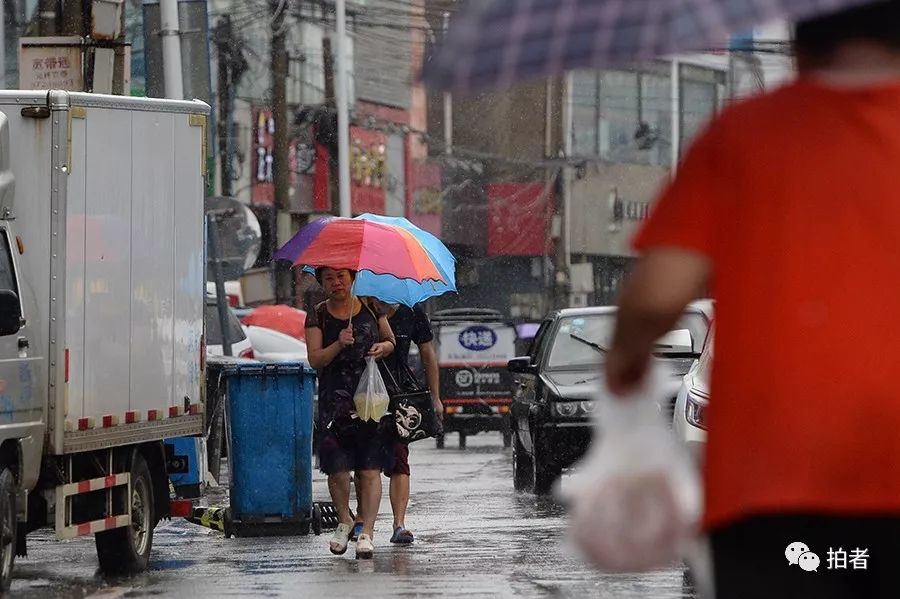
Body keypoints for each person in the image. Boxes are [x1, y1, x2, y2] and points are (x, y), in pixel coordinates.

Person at [605, 2, 900, 597]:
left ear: (797, 47)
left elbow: (658, 293)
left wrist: (624, 367)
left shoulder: (746, 136)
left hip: (770, 490)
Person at [305, 267, 396, 559]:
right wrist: (338, 343)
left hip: (370, 400)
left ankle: (367, 531)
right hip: (335, 402)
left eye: (341, 276)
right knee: (338, 469)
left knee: (370, 468)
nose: (336, 283)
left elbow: (390, 341)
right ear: (321, 283)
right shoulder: (317, 314)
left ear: (352, 277)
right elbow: (315, 358)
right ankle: (344, 520)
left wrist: (382, 347)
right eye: (329, 278)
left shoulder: (370, 305)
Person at [350, 300, 442, 545]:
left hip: (399, 395)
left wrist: (435, 397)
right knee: (364, 461)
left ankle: (399, 524)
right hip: (362, 392)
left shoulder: (411, 311)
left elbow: (428, 355)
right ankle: (361, 518)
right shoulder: (357, 308)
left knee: (400, 457)